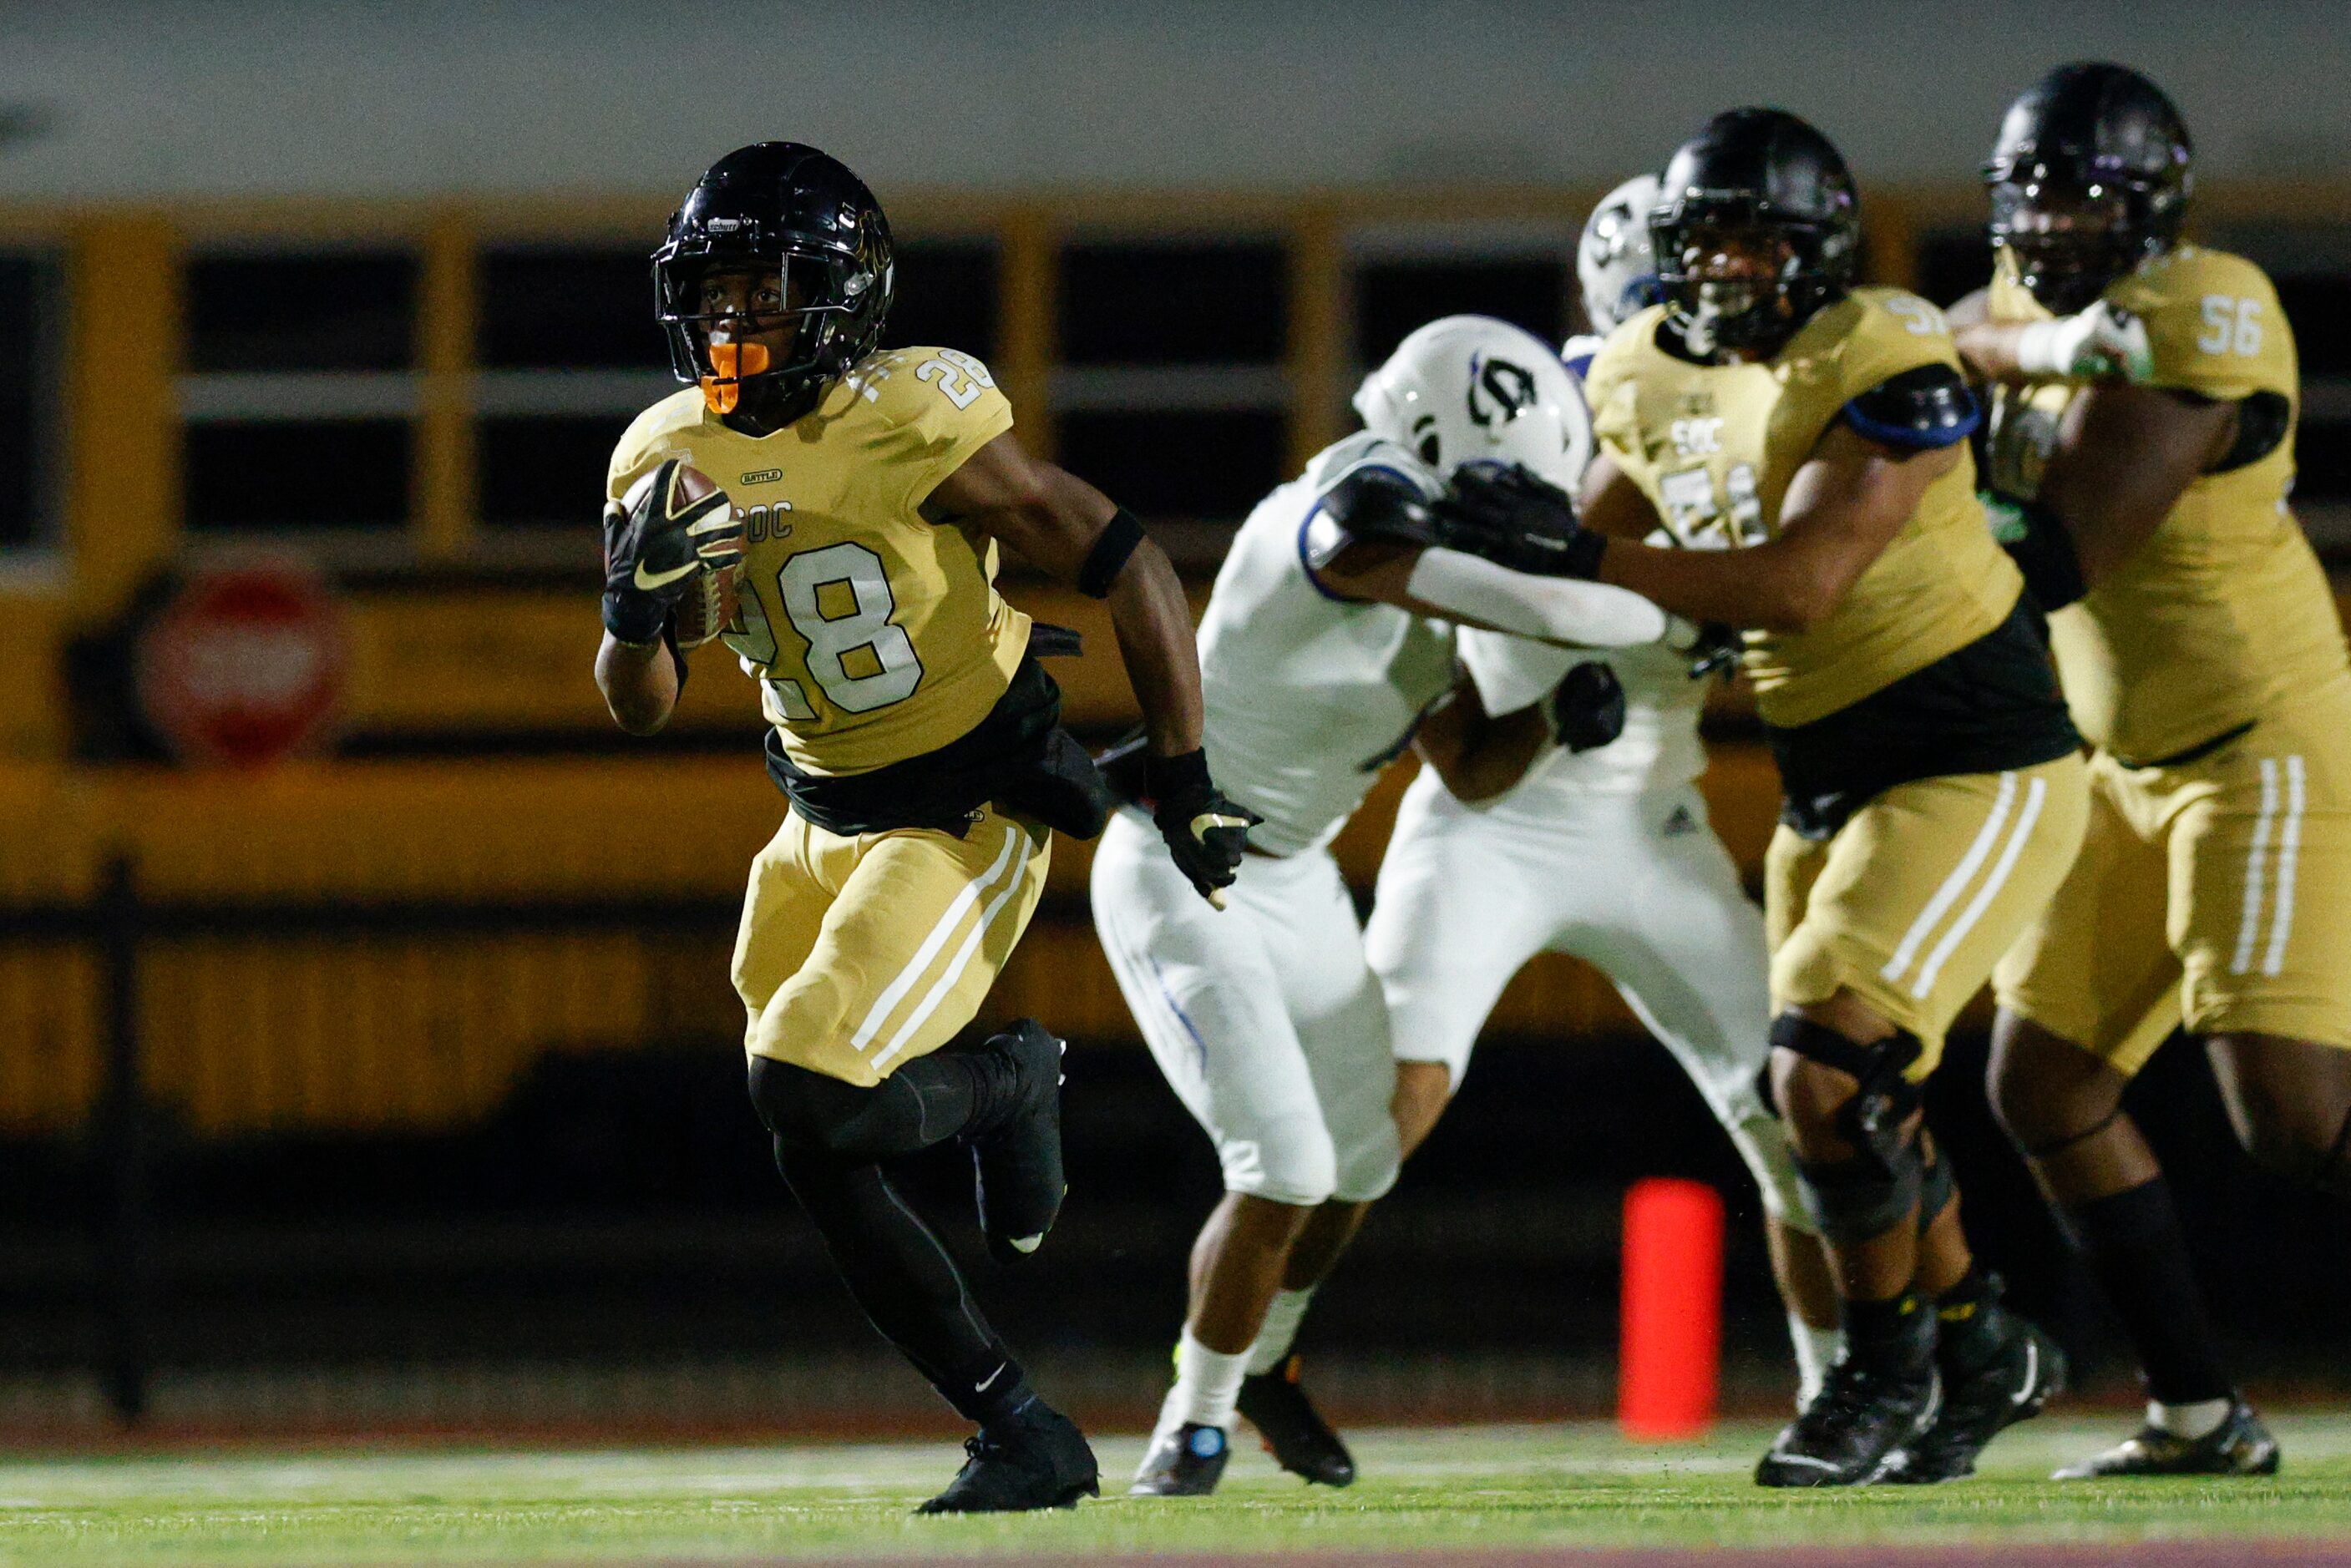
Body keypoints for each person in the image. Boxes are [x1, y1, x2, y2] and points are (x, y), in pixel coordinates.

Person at [591, 141, 1249, 1514]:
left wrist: (1182, 772)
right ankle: (1018, 1424)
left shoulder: (912, 419)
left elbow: (1130, 557)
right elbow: (643, 703)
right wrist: (633, 616)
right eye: (712, 296)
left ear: (840, 298)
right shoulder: (667, 449)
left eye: (764, 295)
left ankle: (1010, 1081)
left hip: (963, 803)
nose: (731, 325)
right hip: (816, 815)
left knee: (807, 1086)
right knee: (808, 1132)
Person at [1436, 108, 2090, 1485]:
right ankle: (1985, 1341)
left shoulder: (1885, 352)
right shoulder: (1636, 367)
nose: (1727, 269)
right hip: (1824, 771)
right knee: (1853, 1094)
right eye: (1705, 243)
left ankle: (1875, 1369)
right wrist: (1458, 553)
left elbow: (1799, 584)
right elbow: (1599, 537)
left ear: (1820, 251)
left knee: (1824, 1064)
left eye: (1756, 240)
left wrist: (1582, 559)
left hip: (1977, 754)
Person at [1092, 315, 1693, 1495]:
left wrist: (1547, 714)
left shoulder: (1416, 567)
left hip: (1293, 871)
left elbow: (1471, 763)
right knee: (1287, 1162)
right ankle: (1192, 1422)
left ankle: (1260, 1364)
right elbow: (1596, 613)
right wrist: (1589, 588)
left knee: (1363, 1154)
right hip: (1183, 860)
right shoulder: (1346, 509)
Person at [1362, 175, 1844, 1411]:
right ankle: (1248, 1361)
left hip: (1654, 814)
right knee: (1381, 1103)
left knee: (1797, 1122)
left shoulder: (1765, 409)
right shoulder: (1557, 401)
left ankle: (1846, 1382)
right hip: (1495, 813)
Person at [1954, 62, 2344, 1479]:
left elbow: (2063, 551)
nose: (2049, 224)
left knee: (2295, 1121)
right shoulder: (2019, 295)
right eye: (2032, 195)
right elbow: (1976, 344)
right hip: (2121, 759)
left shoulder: (2210, 303)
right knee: (2044, 1084)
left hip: (2261, 740)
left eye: (2081, 194)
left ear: (2154, 203)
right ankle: (2197, 1410)